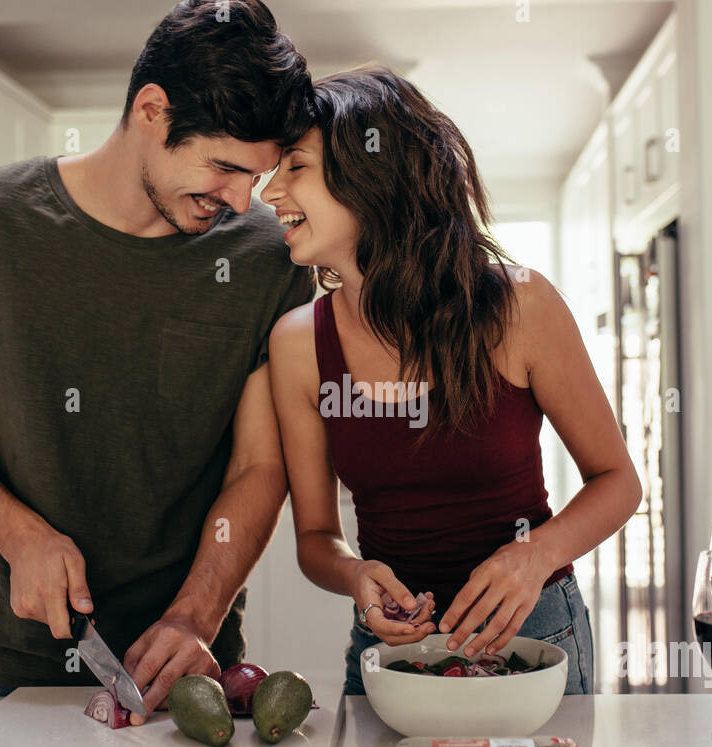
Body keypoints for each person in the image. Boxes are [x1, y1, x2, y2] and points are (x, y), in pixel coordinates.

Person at [0, 0, 314, 719]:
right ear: (152, 110)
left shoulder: (265, 256)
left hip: (189, 663)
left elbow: (258, 465)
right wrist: (19, 535)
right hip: (16, 662)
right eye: (224, 167)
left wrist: (196, 615)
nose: (245, 199)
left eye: (259, 175)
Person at [263, 67, 643, 695]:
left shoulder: (519, 307)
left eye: (295, 167)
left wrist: (536, 556)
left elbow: (618, 481)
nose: (270, 191)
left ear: (370, 176)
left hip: (536, 636)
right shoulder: (298, 343)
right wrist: (355, 577)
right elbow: (315, 536)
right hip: (389, 653)